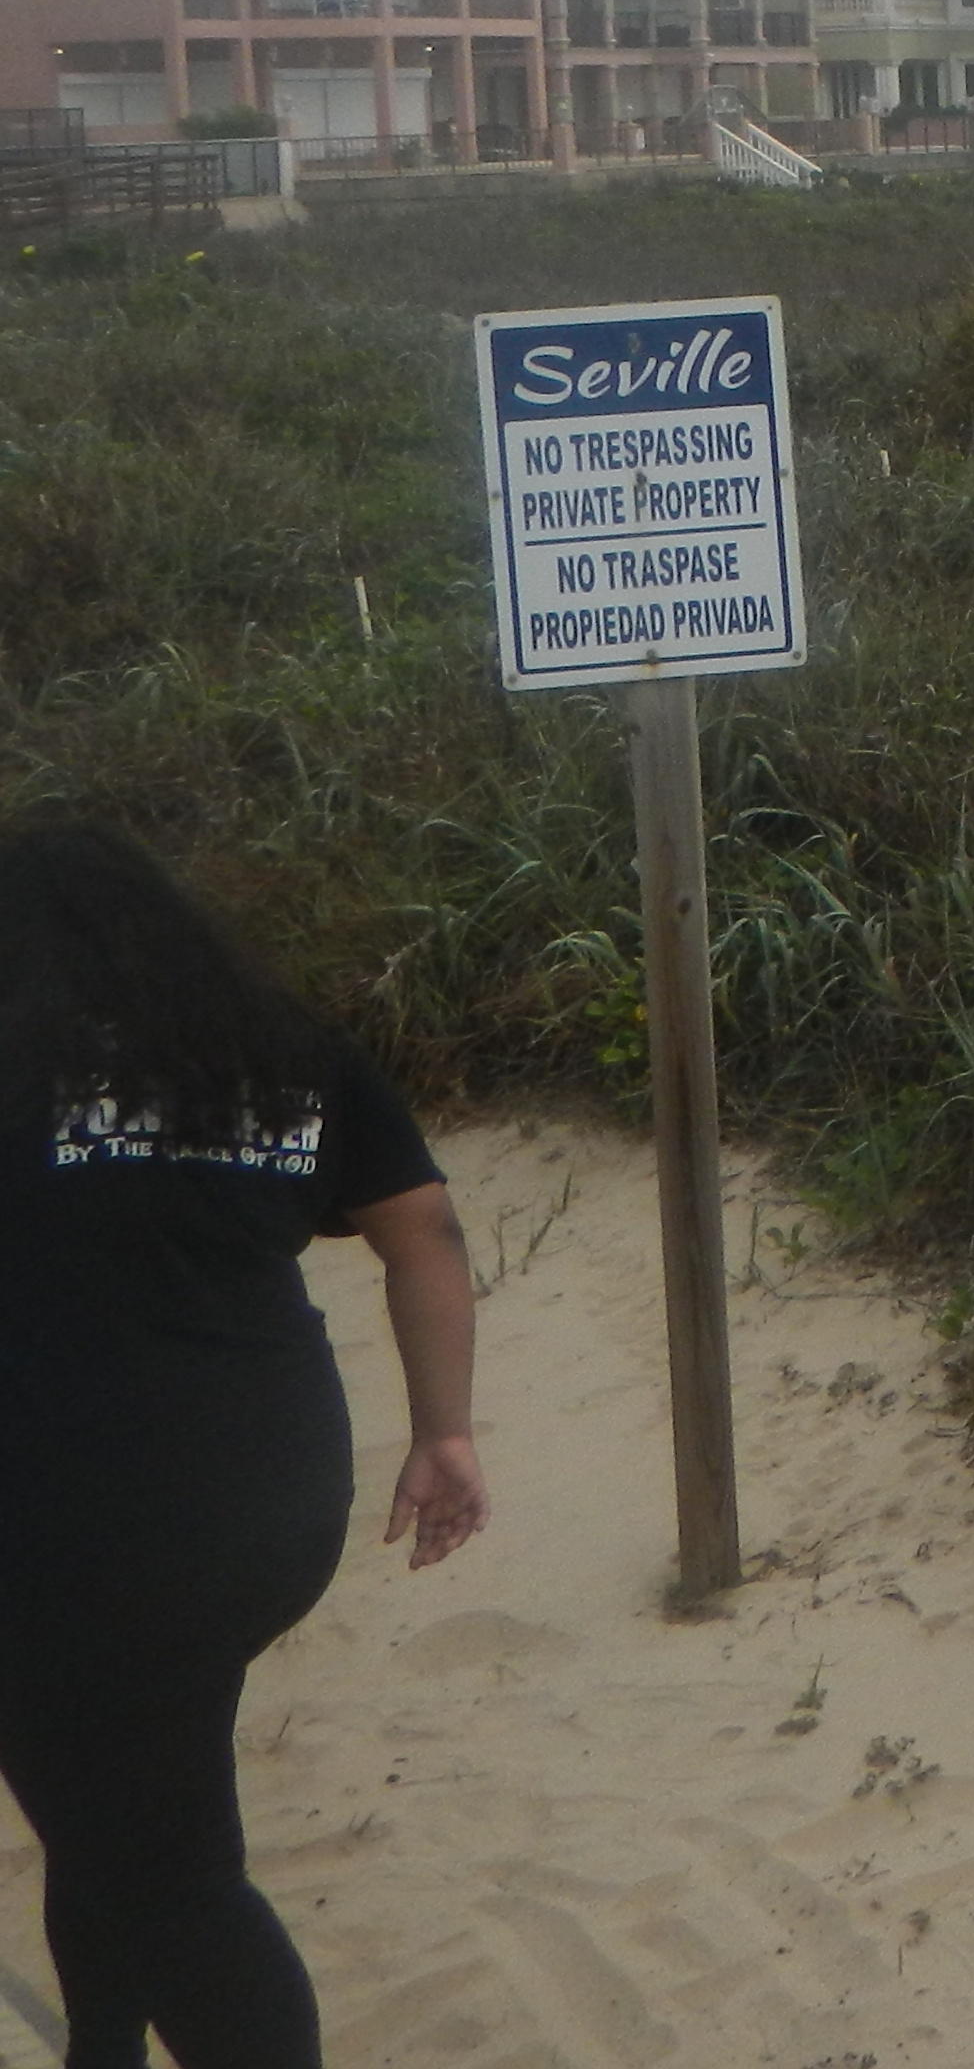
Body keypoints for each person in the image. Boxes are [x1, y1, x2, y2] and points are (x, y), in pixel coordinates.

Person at [0, 821, 483, 2069]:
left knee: (161, 1866)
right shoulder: (274, 1051)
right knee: (115, 1801)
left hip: (82, 1523)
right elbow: (423, 1227)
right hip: (272, 1501)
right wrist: (444, 1431)